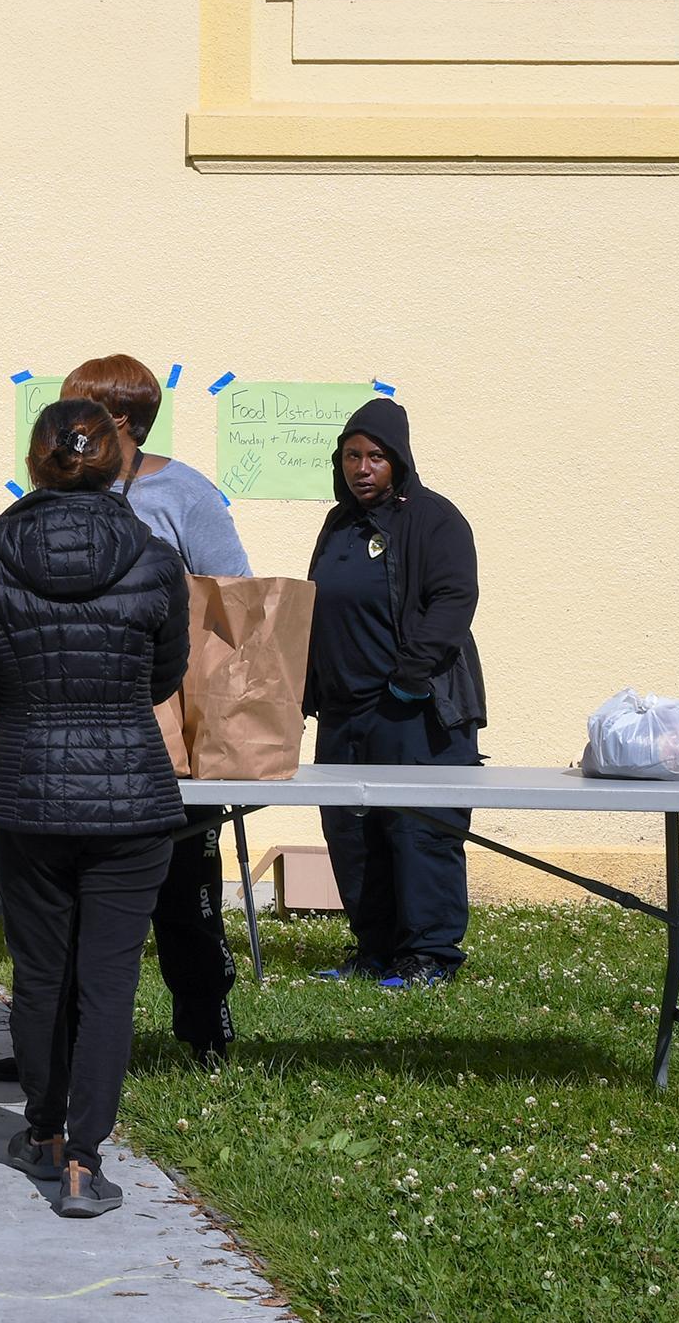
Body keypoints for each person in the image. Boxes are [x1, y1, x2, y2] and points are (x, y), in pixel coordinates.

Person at [0, 399, 188, 1220]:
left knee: (41, 976)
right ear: (116, 459)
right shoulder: (151, 558)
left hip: (32, 787)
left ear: (38, 461)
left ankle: (42, 1133)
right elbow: (163, 676)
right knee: (108, 983)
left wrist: (24, 688)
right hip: (133, 792)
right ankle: (85, 1160)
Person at [66, 354, 249, 1061]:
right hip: (76, 728)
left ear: (120, 421)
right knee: (68, 902)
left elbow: (232, 602)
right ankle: (59, 1040)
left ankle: (206, 1034)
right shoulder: (56, 490)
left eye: (78, 413)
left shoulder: (186, 494)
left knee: (184, 892)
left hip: (168, 730)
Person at [305, 397, 486, 988]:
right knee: (352, 833)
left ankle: (429, 956)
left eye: (376, 457)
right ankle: (375, 949)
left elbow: (453, 601)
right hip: (346, 712)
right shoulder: (338, 525)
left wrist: (410, 677)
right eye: (352, 456)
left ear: (398, 461)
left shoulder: (434, 519)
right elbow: (316, 609)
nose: (363, 468)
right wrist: (305, 690)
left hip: (415, 709)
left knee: (419, 830)